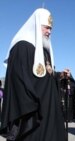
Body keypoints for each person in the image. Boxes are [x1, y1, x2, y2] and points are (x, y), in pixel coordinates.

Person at [0, 8, 68, 141]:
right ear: (37, 26)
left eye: (51, 28)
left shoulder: (43, 50)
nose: (49, 32)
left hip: (49, 108)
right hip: (33, 111)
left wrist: (59, 75)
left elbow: (44, 76)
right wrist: (33, 103)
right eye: (46, 28)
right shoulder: (22, 47)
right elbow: (18, 80)